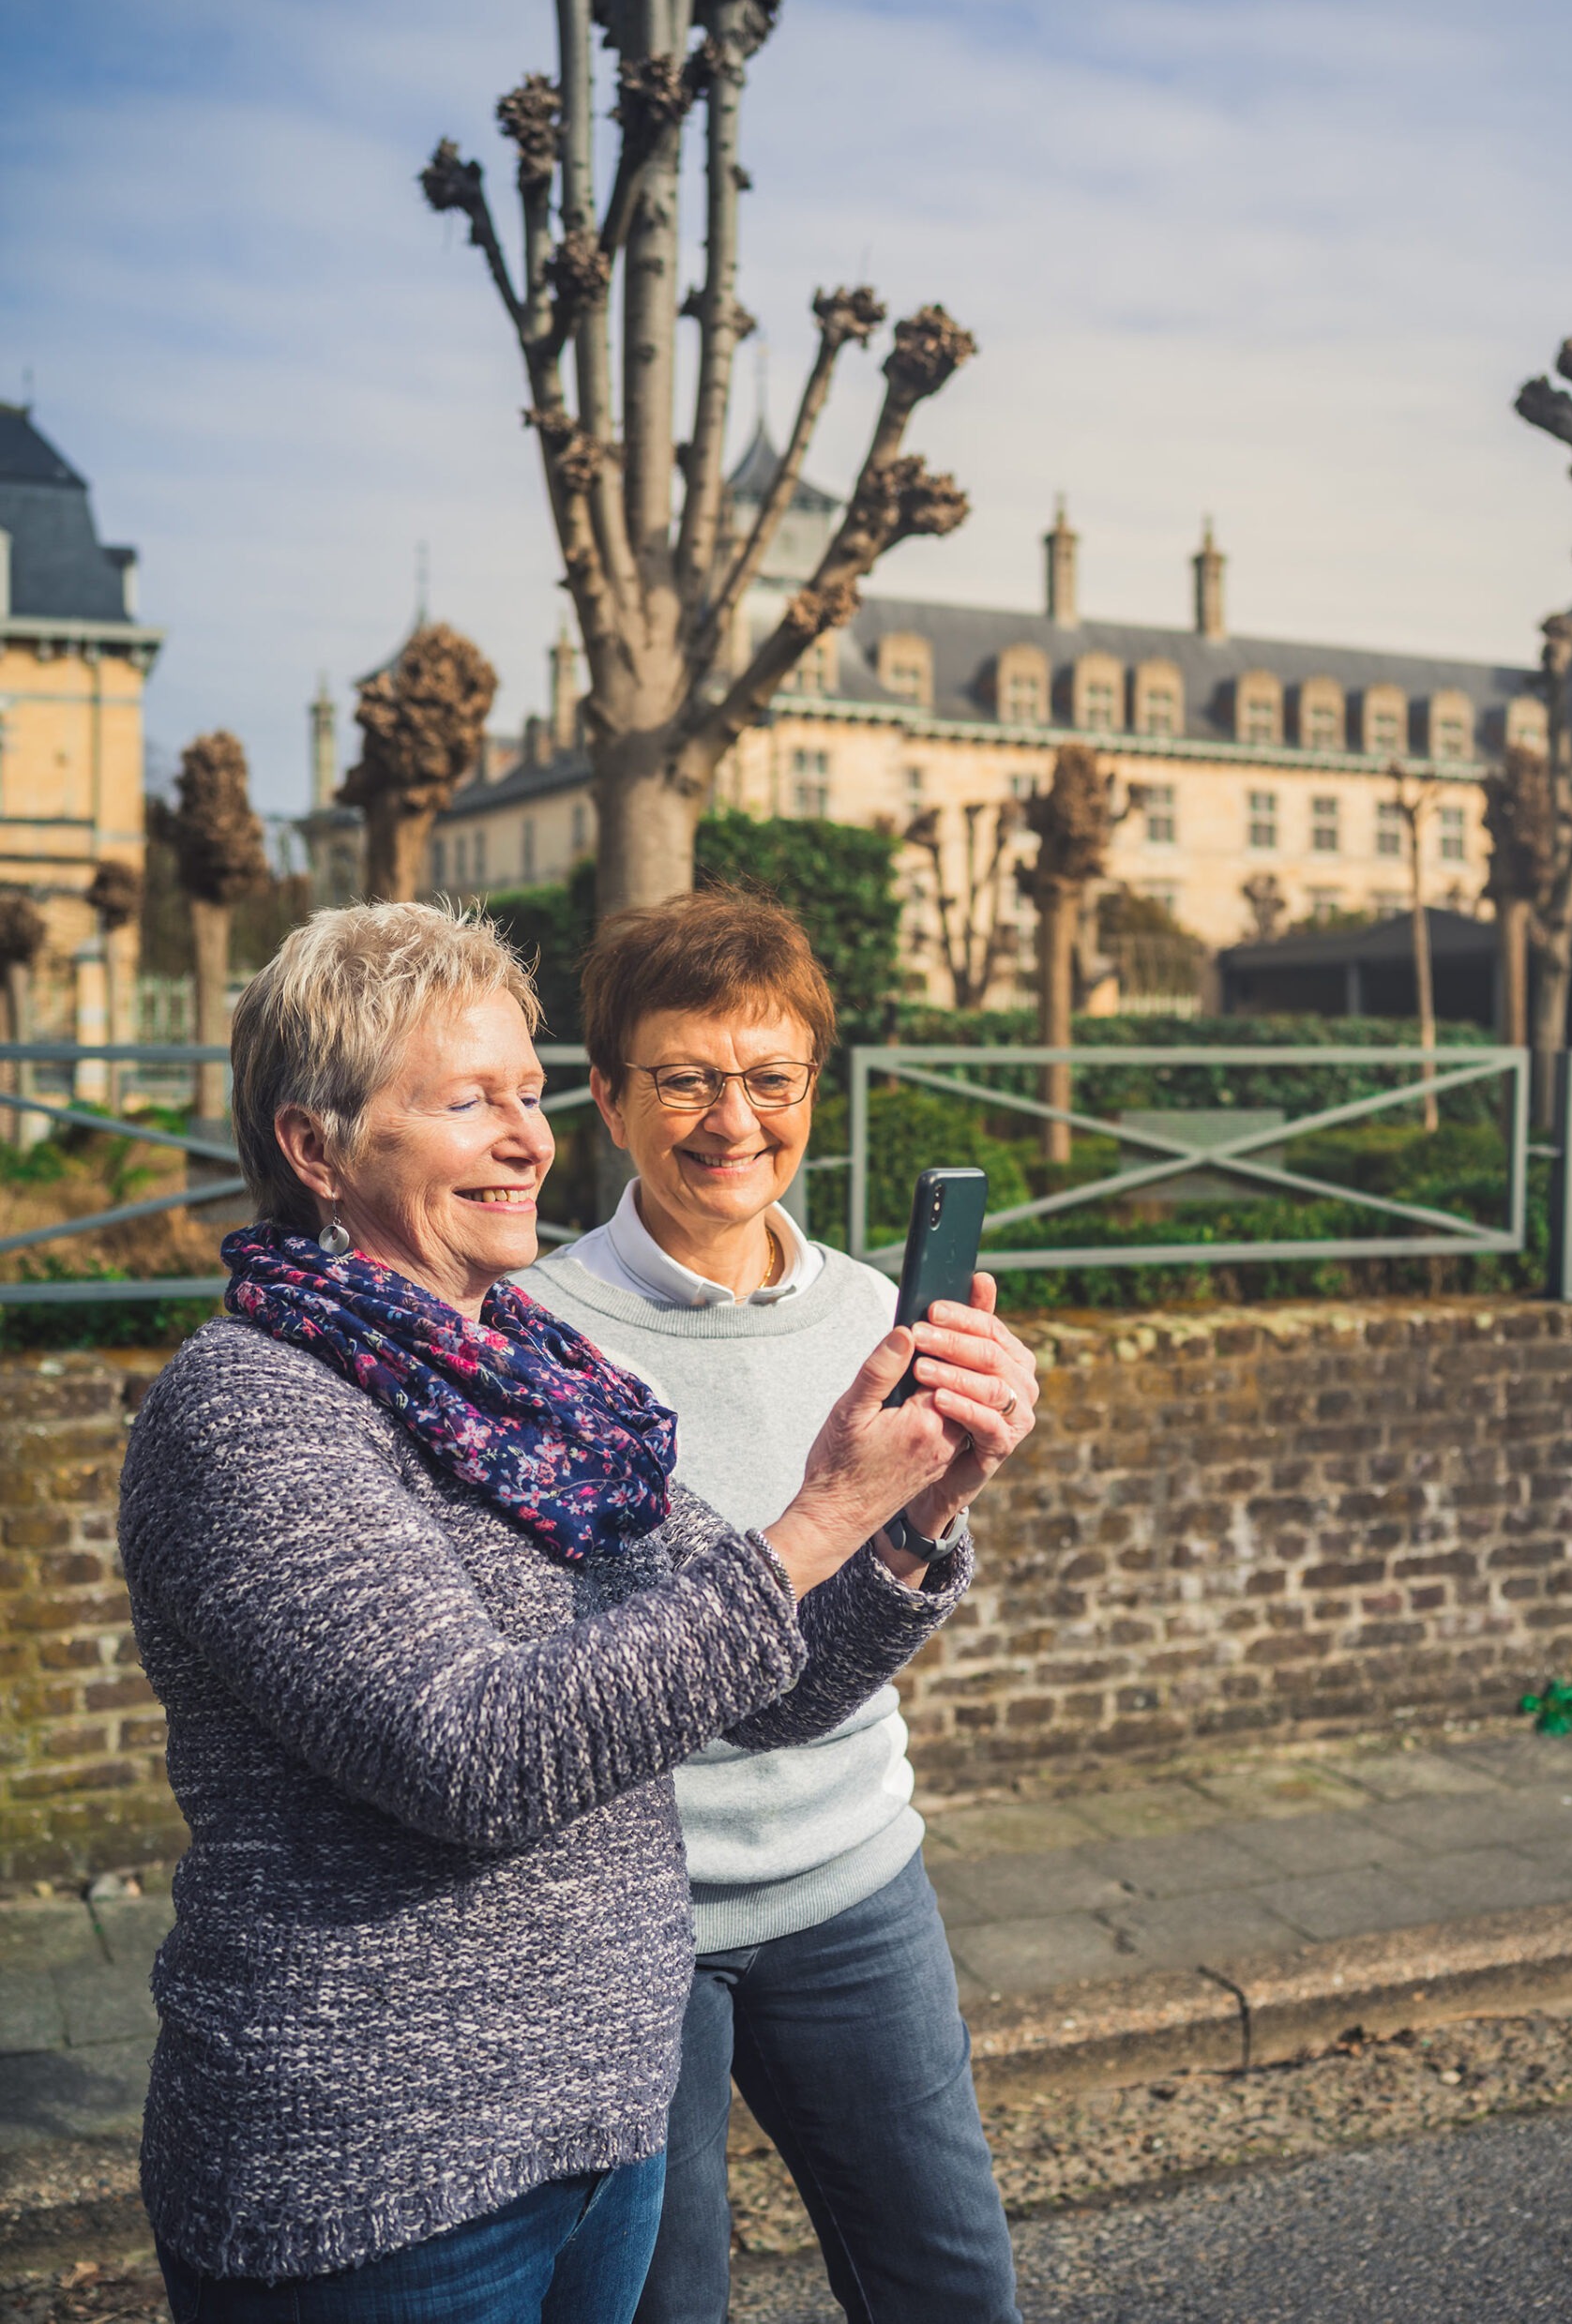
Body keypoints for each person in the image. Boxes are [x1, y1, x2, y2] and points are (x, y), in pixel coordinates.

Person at [118, 900, 1030, 2324]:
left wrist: (912, 1515)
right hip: (390, 2176)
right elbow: (476, 1757)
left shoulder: (527, 1369)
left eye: (528, 1096)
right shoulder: (253, 1410)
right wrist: (819, 1518)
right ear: (318, 1148)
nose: (531, 1139)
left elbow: (769, 1682)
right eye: (471, 1101)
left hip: (589, 2131)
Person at [516, 890, 1036, 2324]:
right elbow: (565, 1667)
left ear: (812, 1090)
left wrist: (936, 1506)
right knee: (660, 2306)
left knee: (949, 2285)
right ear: (611, 1102)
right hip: (630, 1915)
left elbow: (847, 1646)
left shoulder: (881, 1312)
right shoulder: (532, 1337)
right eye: (683, 1079)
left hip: (854, 1880)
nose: (730, 1120)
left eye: (768, 1080)